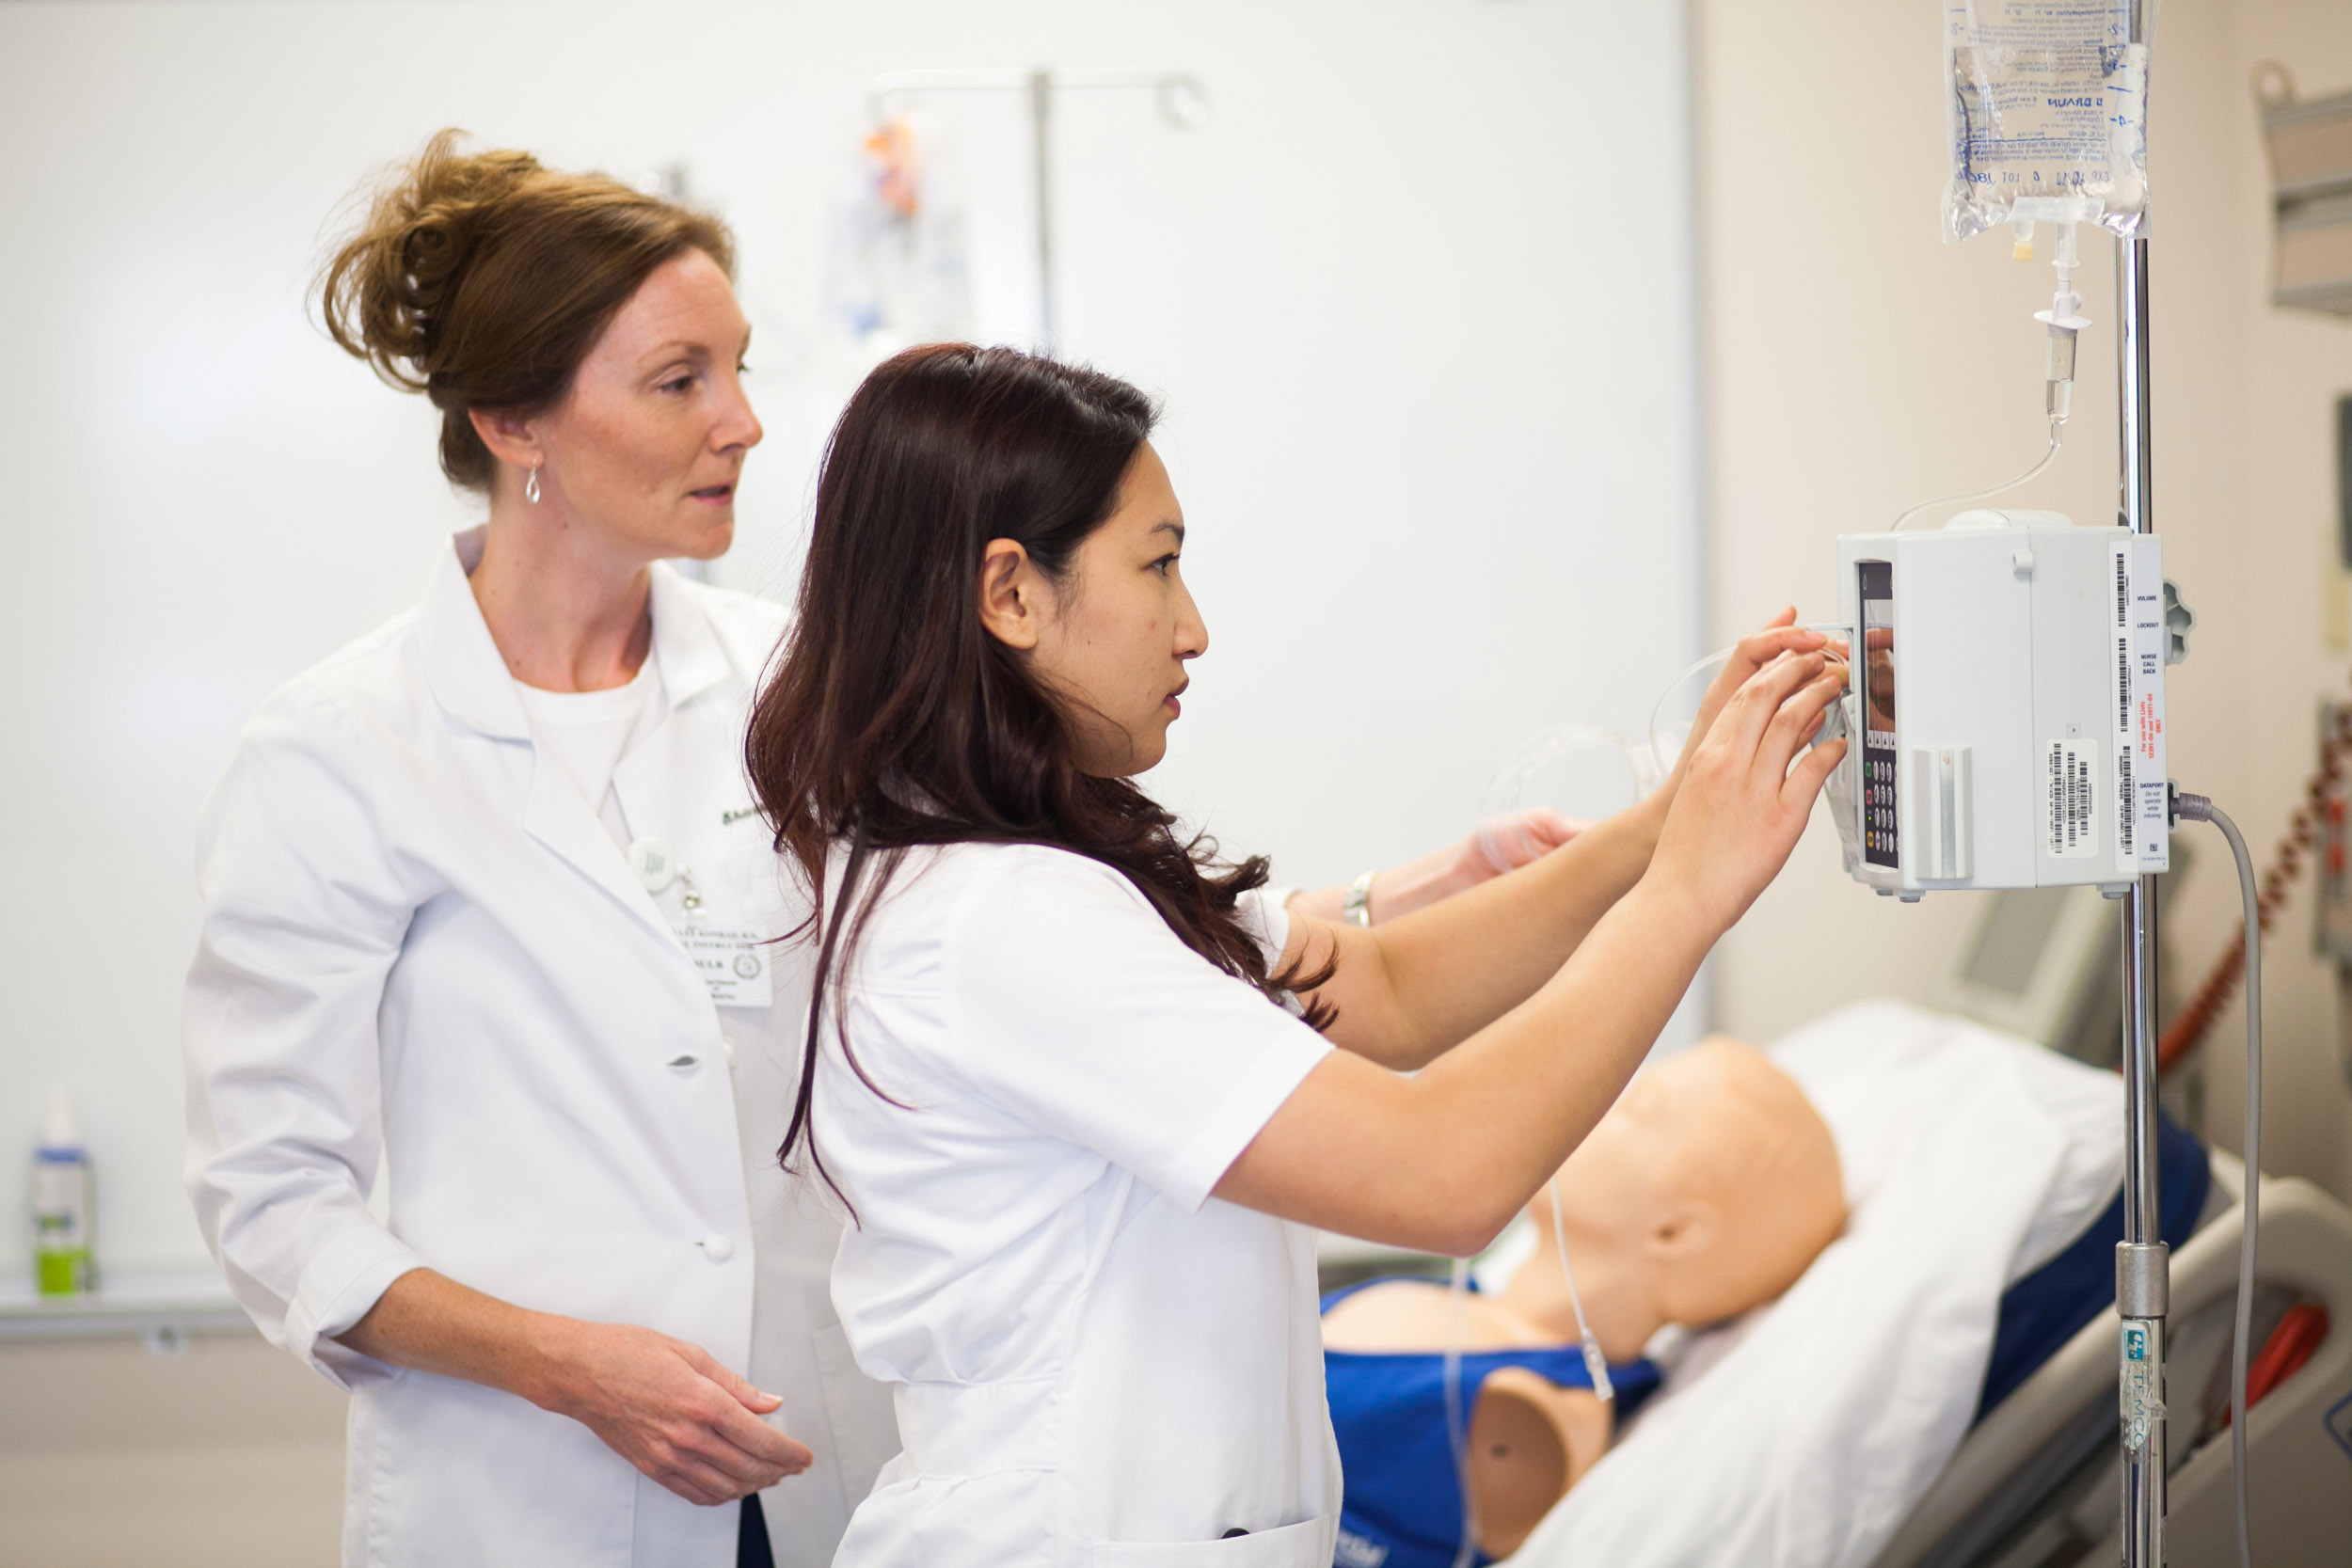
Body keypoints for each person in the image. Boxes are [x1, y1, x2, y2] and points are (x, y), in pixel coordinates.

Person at [740, 344, 1847, 1562]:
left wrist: (1659, 833)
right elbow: (1448, 1171)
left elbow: (1382, 985)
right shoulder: (1000, 918)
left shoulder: (1051, 863)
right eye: (1157, 564)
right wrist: (1689, 893)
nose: (1194, 625)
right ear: (1009, 595)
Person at [181, 132, 893, 1568]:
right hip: (522, 1489)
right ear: (517, 427)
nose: (744, 421)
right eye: (681, 379)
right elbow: (274, 1199)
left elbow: (994, 926)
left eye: (740, 367)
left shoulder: (793, 685)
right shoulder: (339, 750)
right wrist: (568, 1364)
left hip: (819, 1468)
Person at [1318, 1037, 1847, 1564]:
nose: (1595, 1099)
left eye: (1637, 1104)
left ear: (1674, 1233)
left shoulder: (1524, 1421)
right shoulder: (1471, 1307)